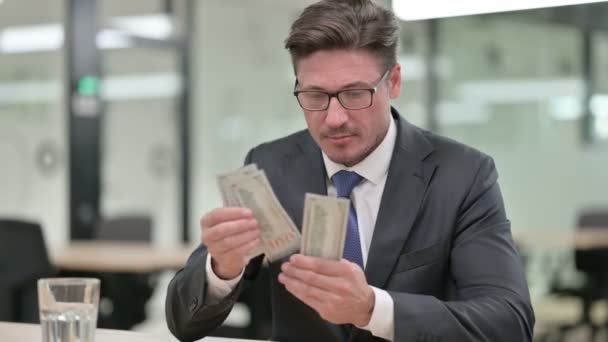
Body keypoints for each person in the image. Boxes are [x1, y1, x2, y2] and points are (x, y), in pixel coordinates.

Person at [165, 0, 535, 341]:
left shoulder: (462, 175)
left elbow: (509, 323)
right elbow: (183, 323)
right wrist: (222, 270)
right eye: (315, 96)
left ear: (393, 82)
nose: (334, 118)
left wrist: (373, 309)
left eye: (356, 94)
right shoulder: (272, 166)